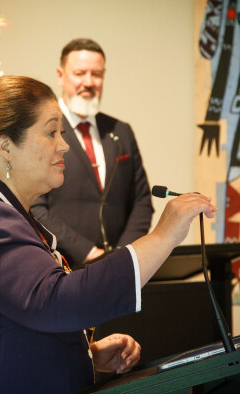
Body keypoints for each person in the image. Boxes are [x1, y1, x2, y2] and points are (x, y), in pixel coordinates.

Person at [0, 75, 215, 393]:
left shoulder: (1, 211)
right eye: (51, 132)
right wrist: (163, 236)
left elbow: (17, 318)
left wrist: (86, 354)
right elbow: (54, 301)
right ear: (6, 146)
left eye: (61, 133)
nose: (64, 145)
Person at [31, 38, 154, 269]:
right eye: (79, 73)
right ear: (60, 75)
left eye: (96, 74)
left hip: (120, 269)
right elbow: (34, 206)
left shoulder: (121, 131)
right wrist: (88, 253)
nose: (88, 82)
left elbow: (142, 202)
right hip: (63, 267)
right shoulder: (42, 130)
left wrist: (122, 254)